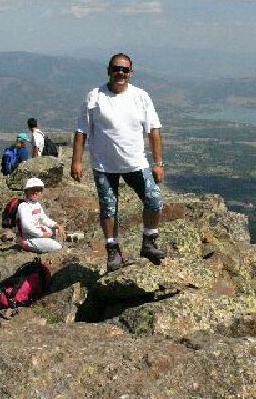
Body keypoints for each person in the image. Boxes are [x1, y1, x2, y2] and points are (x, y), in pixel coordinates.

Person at [71, 52, 165, 271]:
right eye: (116, 68)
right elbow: (81, 131)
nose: (120, 73)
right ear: (109, 71)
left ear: (130, 73)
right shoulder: (95, 96)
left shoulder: (141, 96)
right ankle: (113, 250)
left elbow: (154, 131)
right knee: (108, 209)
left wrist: (158, 163)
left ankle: (149, 241)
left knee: (154, 200)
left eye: (125, 69)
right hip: (104, 166)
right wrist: (77, 161)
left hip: (136, 163)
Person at [16, 177, 66, 253]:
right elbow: (27, 227)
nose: (35, 192)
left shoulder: (37, 205)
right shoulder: (24, 206)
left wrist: (57, 225)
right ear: (26, 192)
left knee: (56, 230)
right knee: (57, 247)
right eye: (32, 190)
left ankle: (62, 237)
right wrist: (42, 234)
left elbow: (44, 219)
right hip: (27, 239)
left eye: (38, 190)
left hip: (36, 233)